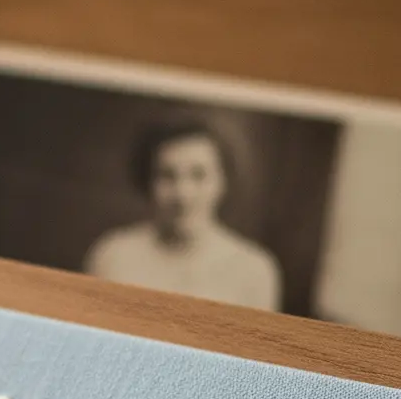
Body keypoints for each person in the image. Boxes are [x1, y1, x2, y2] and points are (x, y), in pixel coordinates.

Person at [84, 117, 282, 310]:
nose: (182, 194)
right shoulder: (113, 256)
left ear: (223, 182)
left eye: (199, 175)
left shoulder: (255, 270)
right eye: (167, 176)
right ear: (148, 183)